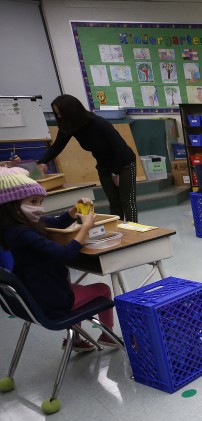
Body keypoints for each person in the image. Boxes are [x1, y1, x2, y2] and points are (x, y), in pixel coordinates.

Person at [0, 167, 119, 351]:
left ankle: (76, 340)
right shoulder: (24, 234)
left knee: (69, 281)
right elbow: (65, 255)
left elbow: (54, 222)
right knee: (103, 289)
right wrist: (85, 228)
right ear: (11, 205)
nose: (39, 208)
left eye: (40, 202)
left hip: (35, 299)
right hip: (53, 303)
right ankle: (107, 335)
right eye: (33, 201)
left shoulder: (13, 229)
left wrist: (73, 211)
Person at [37, 94, 138, 223]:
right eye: (57, 114)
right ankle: (118, 228)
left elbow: (120, 149)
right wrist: (42, 162)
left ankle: (134, 229)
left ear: (72, 111)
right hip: (104, 167)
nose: (60, 117)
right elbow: (56, 147)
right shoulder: (70, 127)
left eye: (61, 113)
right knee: (114, 202)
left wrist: (115, 172)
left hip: (124, 164)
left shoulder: (99, 123)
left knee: (127, 201)